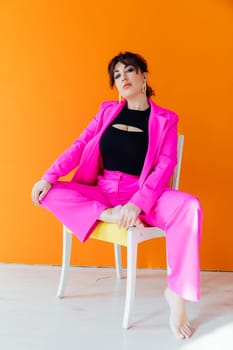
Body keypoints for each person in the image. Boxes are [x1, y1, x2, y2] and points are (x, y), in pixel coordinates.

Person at [31, 51, 203, 339]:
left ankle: (177, 294)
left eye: (129, 71)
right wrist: (49, 175)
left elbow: (165, 164)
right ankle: (104, 214)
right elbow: (80, 144)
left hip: (143, 192)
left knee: (190, 206)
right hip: (103, 192)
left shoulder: (166, 119)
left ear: (144, 76)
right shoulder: (106, 111)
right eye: (117, 75)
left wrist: (138, 203)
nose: (122, 78)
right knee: (49, 193)